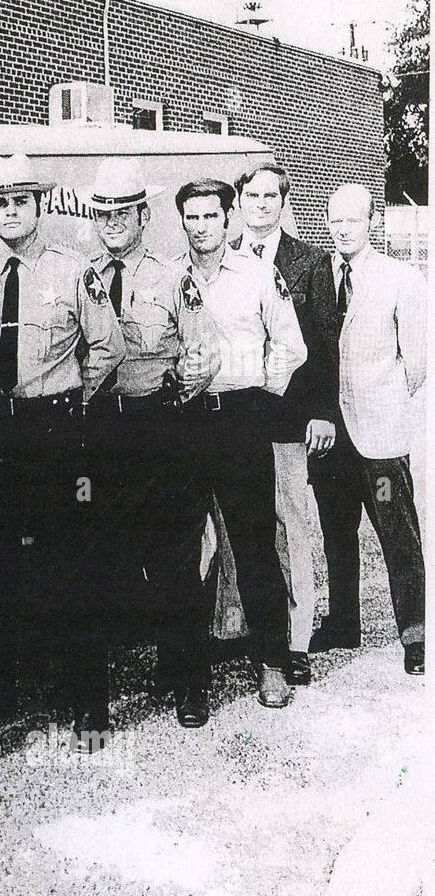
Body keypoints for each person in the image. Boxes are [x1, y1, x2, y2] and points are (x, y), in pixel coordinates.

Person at [0, 152, 125, 767]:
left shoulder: (73, 271)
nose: (10, 211)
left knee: (73, 567)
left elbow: (107, 345)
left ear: (39, 206)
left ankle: (89, 709)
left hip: (56, 431)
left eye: (21, 201)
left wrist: (71, 401)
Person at [81, 158, 221, 727]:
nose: (112, 222)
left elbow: (204, 348)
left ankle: (189, 683)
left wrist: (176, 396)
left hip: (159, 429)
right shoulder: (83, 276)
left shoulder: (170, 276)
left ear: (142, 215)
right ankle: (95, 706)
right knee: (99, 563)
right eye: (103, 214)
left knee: (174, 560)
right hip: (99, 432)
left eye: (123, 212)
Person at [175, 179, 307, 709]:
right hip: (186, 423)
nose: (201, 226)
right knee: (186, 549)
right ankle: (190, 678)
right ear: (181, 220)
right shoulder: (172, 278)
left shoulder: (256, 275)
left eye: (211, 216)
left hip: (241, 420)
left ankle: (272, 662)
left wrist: (261, 395)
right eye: (192, 217)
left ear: (228, 218)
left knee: (254, 545)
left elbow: (291, 346)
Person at [310, 182, 425, 675]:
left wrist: (385, 406)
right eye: (335, 221)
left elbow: (417, 362)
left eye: (352, 221)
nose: (342, 230)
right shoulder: (319, 275)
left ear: (372, 221)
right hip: (333, 439)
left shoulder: (399, 278)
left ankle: (416, 635)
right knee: (337, 532)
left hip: (379, 439)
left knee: (396, 534)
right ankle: (343, 622)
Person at [232, 163, 340, 686]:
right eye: (252, 195)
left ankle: (297, 640)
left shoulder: (310, 262)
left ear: (283, 201)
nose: (261, 204)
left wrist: (321, 411)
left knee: (293, 526)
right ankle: (241, 631)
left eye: (271, 196)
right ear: (240, 201)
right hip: (235, 421)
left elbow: (321, 344)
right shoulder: (222, 257)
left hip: (288, 419)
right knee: (240, 531)